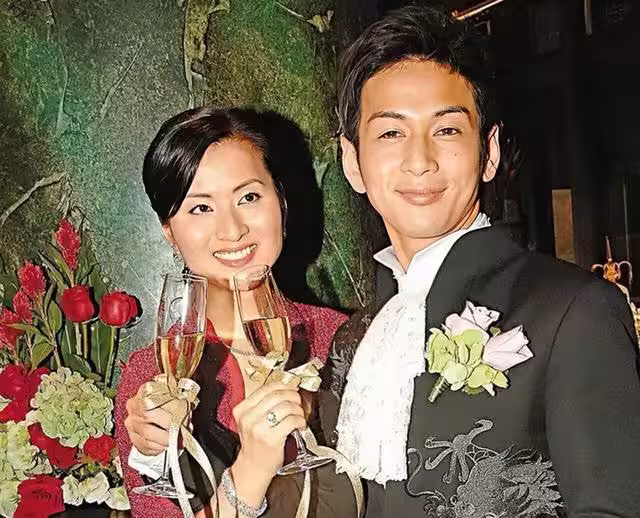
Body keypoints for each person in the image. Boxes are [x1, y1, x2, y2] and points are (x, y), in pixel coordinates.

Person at [318, 5, 640, 518]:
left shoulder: (574, 312)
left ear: (489, 152)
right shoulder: (353, 341)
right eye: (391, 133)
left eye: (446, 130)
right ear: (352, 162)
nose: (420, 160)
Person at [114, 107, 355, 517]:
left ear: (280, 201)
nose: (232, 230)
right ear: (169, 230)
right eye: (200, 208)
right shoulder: (152, 380)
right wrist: (250, 471)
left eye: (248, 197)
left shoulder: (340, 338)